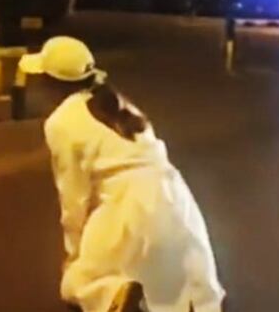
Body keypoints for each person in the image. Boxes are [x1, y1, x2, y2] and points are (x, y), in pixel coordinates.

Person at [19, 37, 226, 312]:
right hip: (174, 197)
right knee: (180, 282)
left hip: (125, 205)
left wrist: (73, 253)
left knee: (83, 283)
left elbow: (74, 198)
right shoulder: (118, 101)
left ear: (51, 82)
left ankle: (117, 295)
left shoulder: (61, 122)